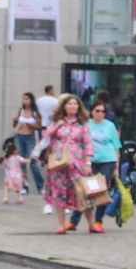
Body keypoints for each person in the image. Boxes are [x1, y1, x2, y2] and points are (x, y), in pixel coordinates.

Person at [40, 93, 95, 233]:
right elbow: (45, 137)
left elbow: (88, 143)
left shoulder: (83, 123)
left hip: (77, 162)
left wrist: (88, 162)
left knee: (83, 193)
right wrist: (56, 126)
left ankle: (92, 224)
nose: (72, 106)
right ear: (64, 107)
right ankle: (61, 225)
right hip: (58, 162)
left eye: (75, 104)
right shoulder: (57, 121)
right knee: (59, 191)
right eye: (69, 104)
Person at [86, 99, 123, 229]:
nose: (100, 114)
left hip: (108, 159)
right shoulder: (86, 125)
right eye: (97, 111)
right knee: (88, 189)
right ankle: (76, 220)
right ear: (92, 112)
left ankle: (98, 220)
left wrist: (117, 166)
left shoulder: (110, 125)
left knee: (102, 189)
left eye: (103, 111)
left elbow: (116, 146)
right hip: (91, 160)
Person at [12, 92, 43, 203]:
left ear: (31, 100)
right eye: (24, 99)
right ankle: (24, 186)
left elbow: (39, 127)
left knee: (33, 161)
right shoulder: (21, 111)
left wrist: (32, 125)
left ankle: (40, 185)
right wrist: (15, 120)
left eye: (27, 99)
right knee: (21, 162)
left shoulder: (35, 113)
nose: (25, 101)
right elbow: (15, 125)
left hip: (30, 137)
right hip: (20, 136)